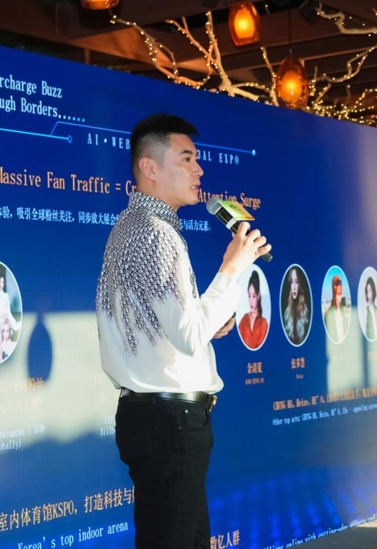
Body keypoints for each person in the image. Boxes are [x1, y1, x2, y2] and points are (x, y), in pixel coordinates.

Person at [96, 113, 271, 549]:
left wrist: (210, 322)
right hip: (170, 421)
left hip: (158, 418)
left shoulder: (132, 227)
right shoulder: (155, 234)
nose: (199, 170)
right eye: (187, 159)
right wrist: (232, 267)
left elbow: (166, 327)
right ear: (149, 167)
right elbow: (188, 335)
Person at [238, 270, 268, 349]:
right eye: (249, 296)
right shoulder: (244, 320)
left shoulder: (263, 323)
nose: (251, 301)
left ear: (258, 296)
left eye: (254, 296)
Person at [282, 266, 310, 345]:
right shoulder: (287, 312)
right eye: (292, 282)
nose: (294, 287)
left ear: (299, 284)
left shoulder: (305, 311)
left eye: (296, 282)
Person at [324, 275, 347, 342]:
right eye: (336, 295)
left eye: (340, 294)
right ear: (333, 295)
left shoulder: (343, 311)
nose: (339, 298)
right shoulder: (329, 314)